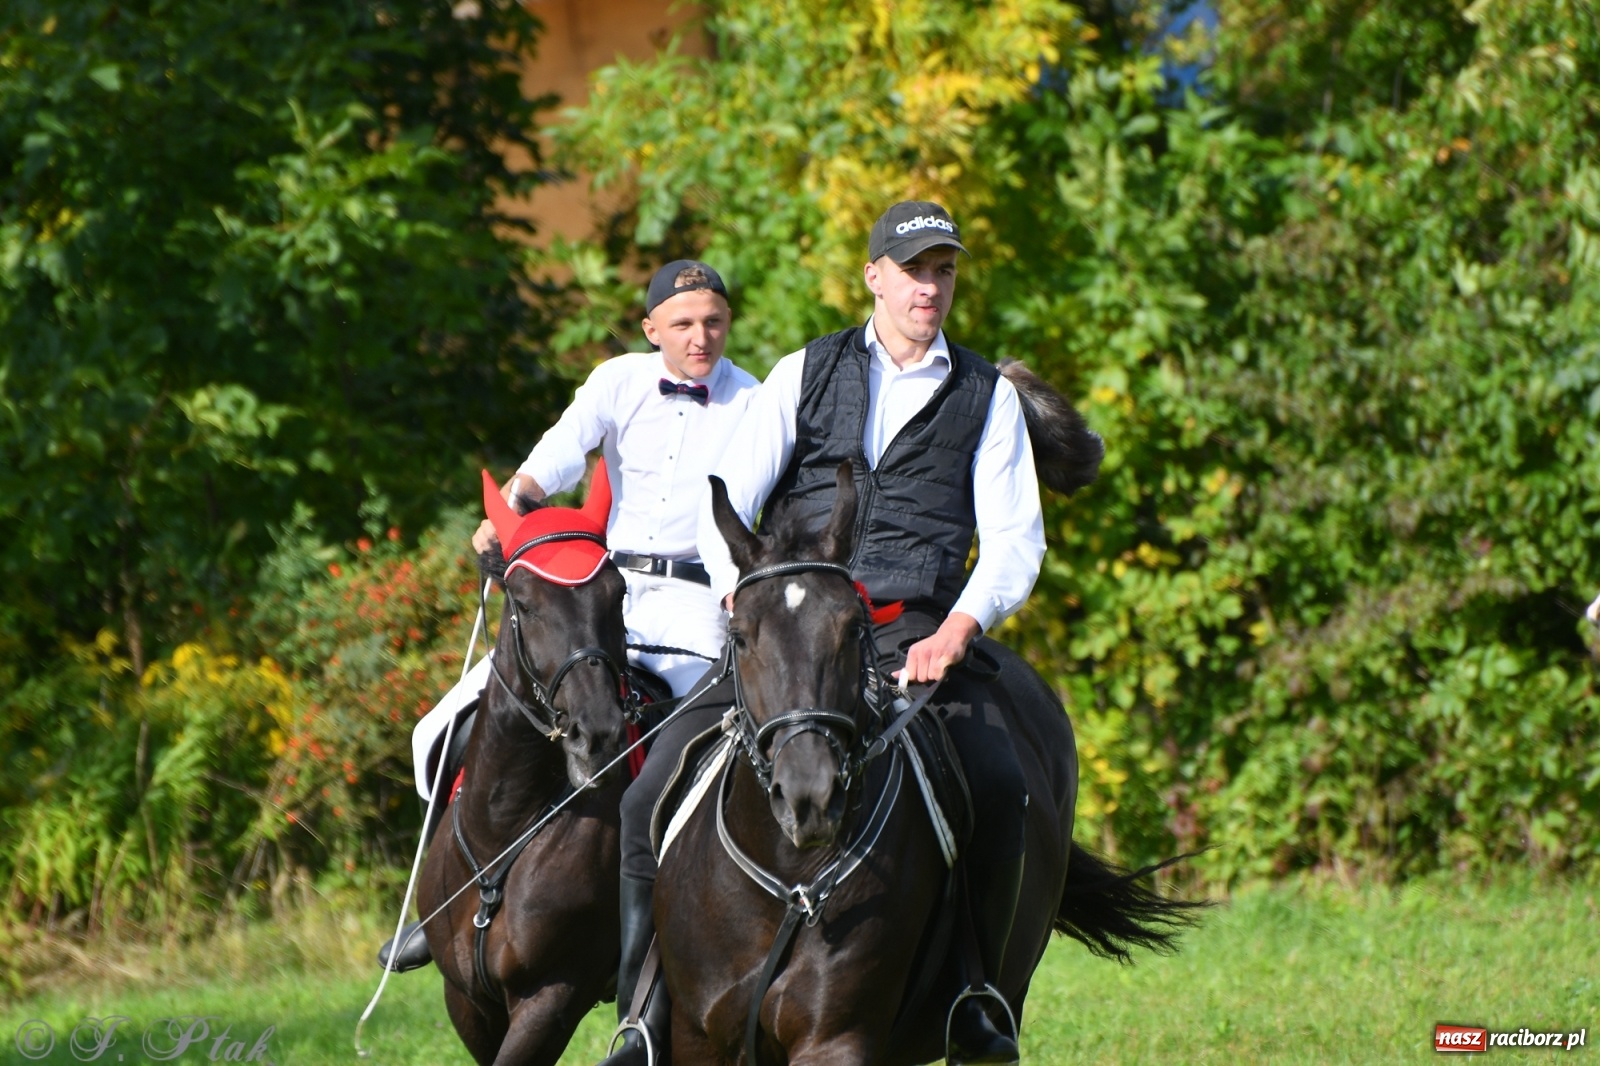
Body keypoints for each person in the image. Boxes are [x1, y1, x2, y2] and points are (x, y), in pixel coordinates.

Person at [602, 201, 1044, 1066]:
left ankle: (974, 999)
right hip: (788, 628)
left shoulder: (987, 397)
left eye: (944, 270)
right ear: (875, 276)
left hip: (913, 631)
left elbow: (1016, 542)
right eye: (914, 269)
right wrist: (745, 601)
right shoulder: (805, 368)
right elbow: (723, 490)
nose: (930, 286)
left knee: (999, 784)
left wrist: (958, 628)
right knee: (647, 791)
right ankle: (642, 1014)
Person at [377, 259, 760, 973]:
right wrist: (517, 500)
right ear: (652, 330)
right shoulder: (618, 380)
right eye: (682, 324)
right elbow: (560, 447)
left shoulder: (756, 401)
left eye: (713, 321)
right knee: (442, 729)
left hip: (701, 605)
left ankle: (658, 941)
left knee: (691, 759)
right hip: (598, 594)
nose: (700, 337)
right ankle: (433, 906)